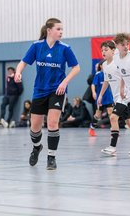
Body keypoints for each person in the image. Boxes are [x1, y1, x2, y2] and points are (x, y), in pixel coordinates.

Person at [14, 18, 80, 170]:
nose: (61, 32)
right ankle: (37, 147)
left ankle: (51, 157)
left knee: (52, 123)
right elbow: (23, 62)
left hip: (57, 90)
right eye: (58, 29)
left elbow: (76, 68)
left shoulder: (65, 48)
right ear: (49, 30)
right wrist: (18, 72)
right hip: (40, 90)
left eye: (62, 29)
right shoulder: (37, 46)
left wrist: (64, 82)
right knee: (35, 127)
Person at [97, 40, 130, 156]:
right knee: (129, 121)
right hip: (116, 97)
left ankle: (112, 147)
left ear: (114, 51)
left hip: (124, 96)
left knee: (113, 117)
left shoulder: (118, 63)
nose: (103, 52)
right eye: (102, 50)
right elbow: (106, 81)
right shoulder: (103, 65)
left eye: (106, 49)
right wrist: (100, 95)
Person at [88, 59, 114, 136]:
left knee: (111, 112)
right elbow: (93, 84)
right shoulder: (98, 74)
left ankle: (114, 130)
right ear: (101, 66)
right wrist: (94, 92)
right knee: (98, 115)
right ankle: (92, 128)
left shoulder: (109, 73)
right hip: (100, 98)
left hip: (108, 97)